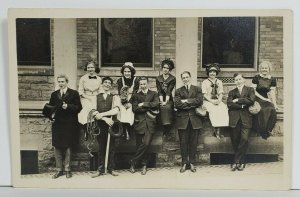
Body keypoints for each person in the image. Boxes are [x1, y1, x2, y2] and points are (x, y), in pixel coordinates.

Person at [48, 74, 82, 179]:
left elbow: (79, 107)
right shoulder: (54, 94)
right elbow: (50, 108)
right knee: (57, 146)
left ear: (67, 82)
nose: (61, 84)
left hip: (69, 124)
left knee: (68, 146)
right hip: (57, 124)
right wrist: (51, 116)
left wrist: (68, 106)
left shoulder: (74, 93)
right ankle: (59, 170)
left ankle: (67, 170)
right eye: (59, 82)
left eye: (63, 81)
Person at [91, 77, 121, 177]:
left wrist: (103, 115)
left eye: (109, 83)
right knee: (101, 147)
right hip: (100, 125)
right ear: (102, 85)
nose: (107, 84)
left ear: (111, 86)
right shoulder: (96, 97)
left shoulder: (114, 97)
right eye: (105, 82)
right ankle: (100, 169)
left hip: (111, 125)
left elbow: (116, 110)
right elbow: (94, 112)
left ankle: (111, 168)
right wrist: (105, 118)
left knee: (111, 147)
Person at [129, 77, 159, 175]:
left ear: (148, 83)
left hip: (150, 123)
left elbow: (156, 104)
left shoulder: (154, 93)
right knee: (139, 146)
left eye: (144, 84)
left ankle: (133, 161)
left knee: (146, 144)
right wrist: (147, 108)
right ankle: (144, 165)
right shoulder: (136, 95)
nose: (143, 86)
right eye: (141, 84)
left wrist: (143, 104)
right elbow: (135, 109)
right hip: (139, 123)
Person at [174, 71, 203, 173]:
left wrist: (186, 101)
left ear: (190, 77)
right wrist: (192, 102)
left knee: (193, 142)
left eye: (187, 77)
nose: (185, 79)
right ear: (182, 79)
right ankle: (184, 163)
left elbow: (199, 101)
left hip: (195, 119)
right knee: (183, 142)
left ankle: (192, 163)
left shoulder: (197, 89)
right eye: (184, 77)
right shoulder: (178, 91)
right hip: (183, 120)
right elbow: (177, 104)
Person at [227, 73, 255, 171]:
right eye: (236, 80)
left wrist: (238, 99)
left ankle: (236, 161)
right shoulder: (231, 92)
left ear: (243, 80)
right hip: (234, 119)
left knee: (244, 139)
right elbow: (229, 104)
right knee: (235, 141)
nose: (238, 81)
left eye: (239, 79)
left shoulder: (250, 90)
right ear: (234, 81)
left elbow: (251, 100)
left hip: (246, 118)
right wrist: (242, 105)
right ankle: (241, 162)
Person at [252, 61, 278, 140]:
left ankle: (268, 130)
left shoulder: (272, 79)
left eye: (266, 68)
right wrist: (264, 99)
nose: (264, 69)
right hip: (257, 98)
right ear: (260, 69)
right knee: (262, 111)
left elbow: (272, 93)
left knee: (272, 110)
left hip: (266, 99)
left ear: (269, 69)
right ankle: (262, 131)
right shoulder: (256, 78)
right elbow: (253, 91)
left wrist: (275, 104)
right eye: (262, 68)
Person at [202, 63, 229, 139]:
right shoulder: (205, 82)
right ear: (208, 73)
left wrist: (219, 100)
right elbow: (204, 94)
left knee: (223, 108)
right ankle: (215, 130)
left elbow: (220, 93)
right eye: (210, 72)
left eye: (214, 72)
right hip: (208, 100)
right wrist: (211, 101)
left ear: (216, 73)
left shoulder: (219, 82)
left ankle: (219, 130)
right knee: (213, 110)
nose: (212, 73)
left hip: (217, 100)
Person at [116, 62, 139, 140]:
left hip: (133, 99)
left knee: (130, 110)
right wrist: (124, 102)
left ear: (132, 72)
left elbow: (135, 93)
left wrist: (130, 103)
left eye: (128, 71)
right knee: (122, 109)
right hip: (123, 99)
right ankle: (124, 130)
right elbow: (120, 92)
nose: (127, 73)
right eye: (125, 71)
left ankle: (129, 129)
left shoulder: (136, 80)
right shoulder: (120, 80)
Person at [77, 60, 102, 127]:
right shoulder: (83, 78)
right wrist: (88, 98)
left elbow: (100, 91)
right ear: (86, 68)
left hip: (96, 97)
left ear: (95, 68)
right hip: (85, 98)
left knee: (97, 111)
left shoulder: (99, 79)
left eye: (92, 67)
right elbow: (81, 91)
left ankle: (95, 128)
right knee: (86, 111)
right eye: (88, 67)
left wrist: (97, 98)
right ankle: (86, 128)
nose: (90, 69)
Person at [156, 58, 176, 139]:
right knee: (159, 107)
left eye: (167, 68)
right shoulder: (158, 78)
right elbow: (159, 91)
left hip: (169, 98)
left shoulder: (172, 78)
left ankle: (167, 130)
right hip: (160, 97)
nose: (165, 69)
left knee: (167, 107)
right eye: (164, 67)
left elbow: (169, 90)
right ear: (162, 68)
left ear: (170, 69)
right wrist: (161, 101)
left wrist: (165, 101)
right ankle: (161, 129)